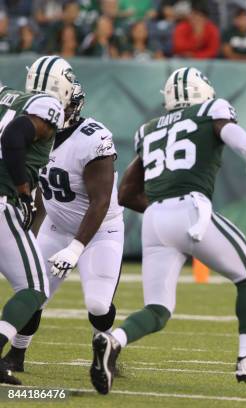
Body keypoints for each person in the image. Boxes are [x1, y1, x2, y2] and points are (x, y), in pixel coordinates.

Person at [89, 67, 246, 394]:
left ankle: (113, 339)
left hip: (155, 219)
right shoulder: (211, 111)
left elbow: (126, 193)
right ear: (201, 92)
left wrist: (164, 215)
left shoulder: (148, 130)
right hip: (190, 209)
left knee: (158, 309)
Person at [0, 82, 124, 374]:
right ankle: (16, 355)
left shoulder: (92, 137)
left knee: (97, 305)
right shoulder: (35, 132)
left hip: (100, 231)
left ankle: (106, 350)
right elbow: (46, 188)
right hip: (57, 226)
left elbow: (101, 201)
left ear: (75, 105)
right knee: (33, 294)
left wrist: (76, 247)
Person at [0, 55, 74, 384]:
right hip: (3, 202)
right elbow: (13, 137)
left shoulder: (5, 94)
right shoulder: (48, 107)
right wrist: (23, 187)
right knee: (34, 288)